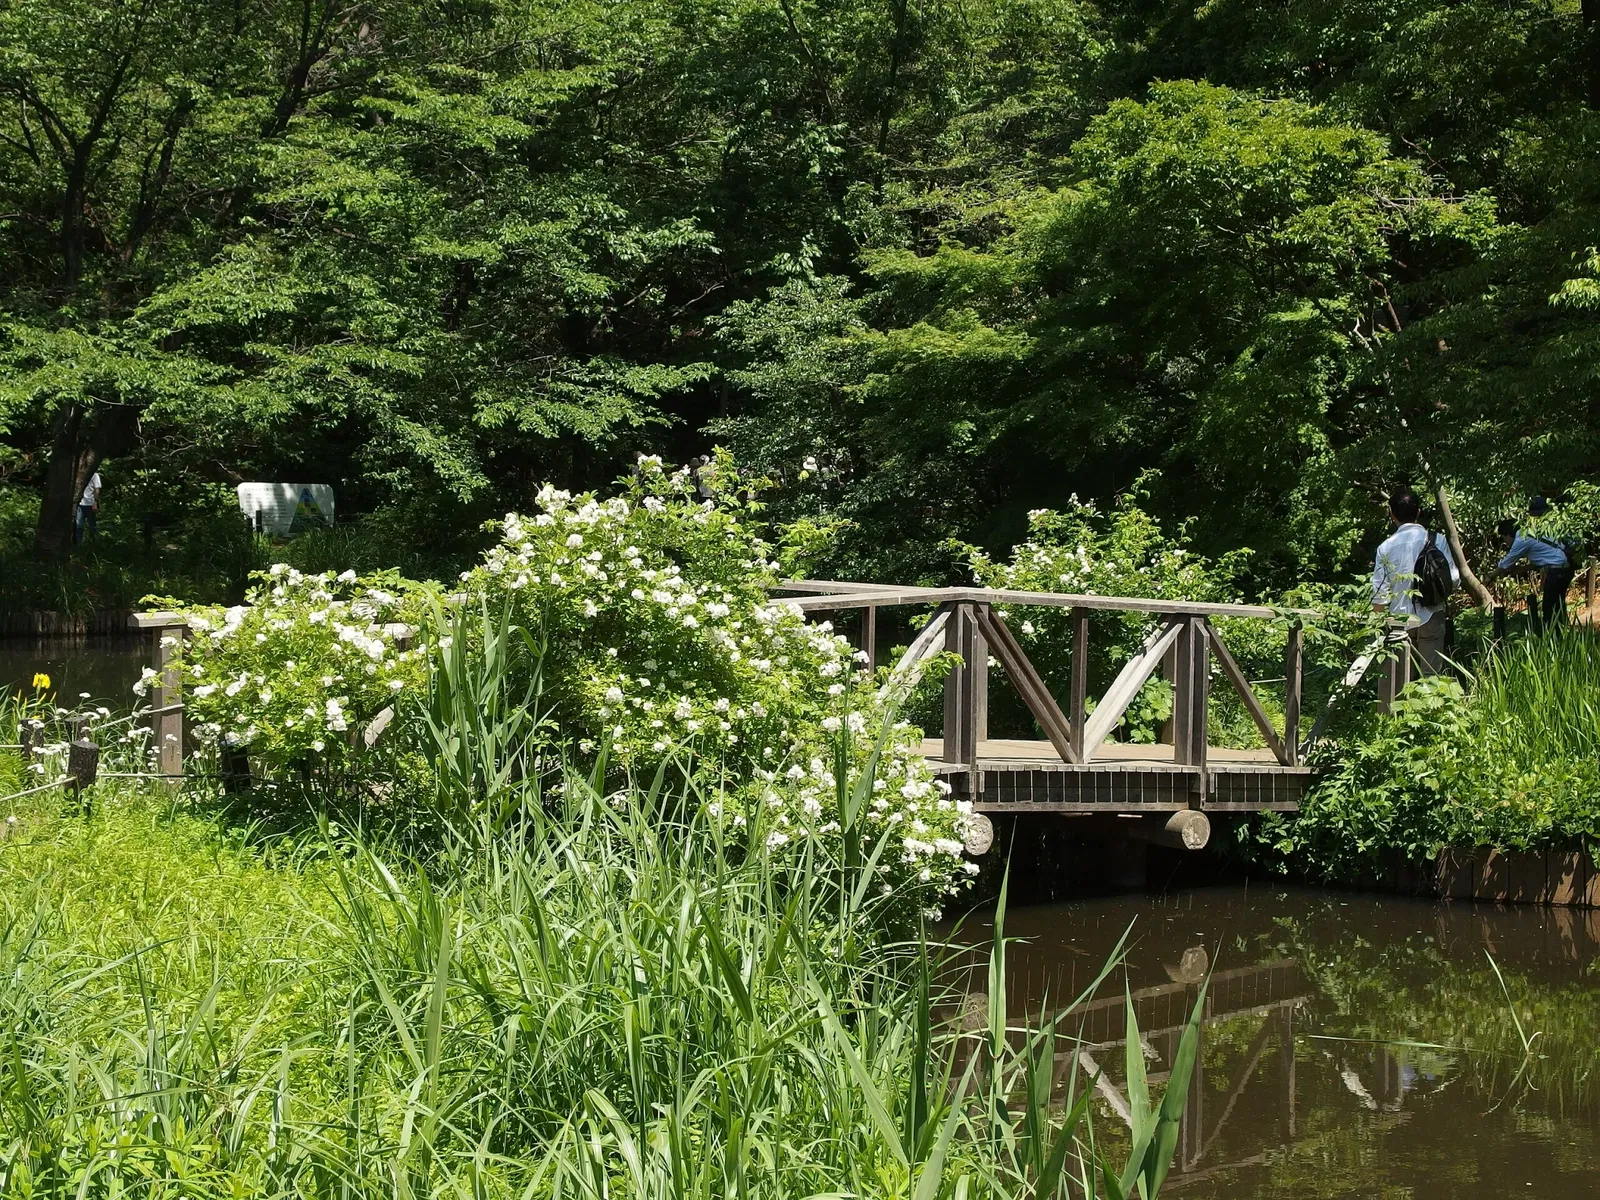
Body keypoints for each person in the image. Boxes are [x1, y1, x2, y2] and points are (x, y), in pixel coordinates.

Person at [1371, 488, 1459, 675]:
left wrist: (1375, 626)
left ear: (1392, 514)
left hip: (1399, 621)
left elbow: (1380, 596)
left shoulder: (1385, 548)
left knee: (1400, 679)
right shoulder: (1437, 540)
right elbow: (1454, 579)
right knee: (1431, 676)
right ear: (1418, 512)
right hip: (1432, 614)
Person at [1495, 496, 1574, 630]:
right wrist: (1522, 569)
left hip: (1556, 572)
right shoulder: (1543, 528)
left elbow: (1505, 563)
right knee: (1557, 605)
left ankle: (1553, 636)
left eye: (1504, 538)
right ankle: (1563, 633)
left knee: (1549, 609)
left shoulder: (1522, 538)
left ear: (1507, 535)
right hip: (1564, 569)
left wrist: (1490, 576)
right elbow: (1544, 557)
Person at [74, 471, 102, 543]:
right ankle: (78, 544)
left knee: (92, 526)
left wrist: (95, 502)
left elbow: (97, 489)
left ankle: (94, 543)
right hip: (80, 503)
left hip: (90, 504)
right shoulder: (79, 474)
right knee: (78, 526)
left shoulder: (94, 475)